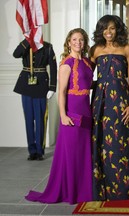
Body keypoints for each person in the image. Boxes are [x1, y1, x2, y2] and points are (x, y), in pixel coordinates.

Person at [25, 28, 94, 204]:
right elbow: (61, 92)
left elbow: (88, 84)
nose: (78, 43)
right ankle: (70, 191)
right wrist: (63, 115)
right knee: (70, 153)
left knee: (83, 152)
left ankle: (83, 189)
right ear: (69, 42)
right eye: (74, 40)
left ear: (84, 42)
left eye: (81, 40)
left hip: (86, 109)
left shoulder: (87, 62)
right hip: (72, 111)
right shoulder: (66, 63)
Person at [90, 15, 129, 200]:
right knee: (102, 141)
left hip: (120, 100)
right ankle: (101, 186)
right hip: (100, 102)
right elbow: (85, 75)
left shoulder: (127, 48)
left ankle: (125, 186)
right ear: (101, 31)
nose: (109, 32)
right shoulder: (95, 50)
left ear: (117, 29)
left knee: (120, 140)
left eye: (112, 28)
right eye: (105, 29)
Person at [13, 38, 57, 161]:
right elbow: (16, 54)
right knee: (28, 119)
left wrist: (52, 88)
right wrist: (27, 41)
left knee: (40, 119)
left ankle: (39, 150)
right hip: (26, 86)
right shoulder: (25, 44)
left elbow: (53, 68)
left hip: (41, 86)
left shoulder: (47, 47)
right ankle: (31, 150)